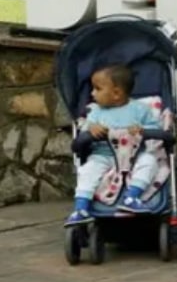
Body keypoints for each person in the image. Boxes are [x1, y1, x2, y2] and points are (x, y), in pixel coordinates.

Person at [66, 64, 163, 227]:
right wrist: (92, 128)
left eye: (97, 89)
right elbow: (83, 125)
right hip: (103, 155)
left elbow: (156, 129)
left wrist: (142, 129)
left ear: (116, 93)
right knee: (88, 171)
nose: (92, 93)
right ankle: (81, 209)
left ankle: (132, 197)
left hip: (134, 155)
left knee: (150, 161)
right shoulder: (95, 111)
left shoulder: (140, 109)